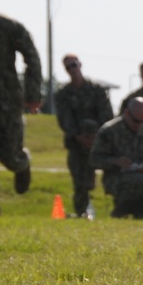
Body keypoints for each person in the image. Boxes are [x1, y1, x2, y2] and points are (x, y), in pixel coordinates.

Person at [0, 0, 41, 215]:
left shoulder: (7, 27)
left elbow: (31, 56)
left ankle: (22, 164)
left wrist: (32, 93)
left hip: (6, 102)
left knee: (9, 154)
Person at [89, 97, 143, 219]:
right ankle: (119, 213)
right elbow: (94, 158)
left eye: (142, 121)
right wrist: (115, 161)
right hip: (116, 179)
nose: (139, 125)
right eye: (135, 121)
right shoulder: (109, 131)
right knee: (138, 182)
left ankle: (137, 215)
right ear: (127, 113)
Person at [54, 55, 113, 218]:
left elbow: (106, 114)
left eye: (74, 65)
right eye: (68, 67)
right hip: (76, 144)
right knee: (80, 184)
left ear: (80, 64)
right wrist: (79, 137)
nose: (72, 69)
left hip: (101, 143)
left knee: (112, 176)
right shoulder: (63, 94)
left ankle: (117, 212)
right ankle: (82, 213)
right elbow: (64, 119)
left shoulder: (96, 89)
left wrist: (97, 136)